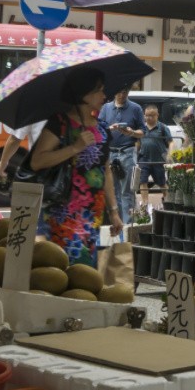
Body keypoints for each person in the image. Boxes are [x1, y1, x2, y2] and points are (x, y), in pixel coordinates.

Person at [26, 66, 122, 263]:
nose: (105, 95)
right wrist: (75, 147)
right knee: (63, 268)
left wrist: (113, 212)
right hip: (63, 212)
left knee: (87, 272)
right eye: (99, 90)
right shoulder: (59, 123)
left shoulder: (102, 129)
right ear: (83, 93)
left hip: (93, 214)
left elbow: (106, 170)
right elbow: (37, 161)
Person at [98, 85, 144, 225]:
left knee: (127, 192)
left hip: (128, 152)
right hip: (111, 153)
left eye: (125, 92)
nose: (122, 95)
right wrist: (109, 129)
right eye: (119, 92)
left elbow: (143, 132)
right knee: (113, 191)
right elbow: (98, 129)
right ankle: (116, 224)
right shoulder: (106, 108)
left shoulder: (136, 108)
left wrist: (131, 132)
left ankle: (127, 228)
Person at [137, 104, 171, 211]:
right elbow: (137, 142)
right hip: (144, 159)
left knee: (162, 183)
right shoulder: (141, 127)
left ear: (157, 115)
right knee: (143, 181)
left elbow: (171, 142)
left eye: (152, 115)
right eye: (146, 115)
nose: (149, 118)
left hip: (158, 161)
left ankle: (168, 201)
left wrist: (170, 154)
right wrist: (134, 153)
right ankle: (145, 204)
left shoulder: (162, 127)